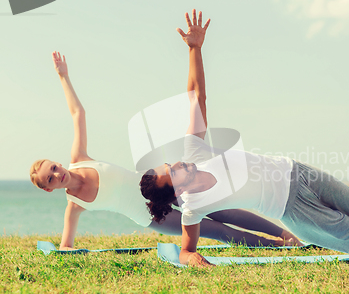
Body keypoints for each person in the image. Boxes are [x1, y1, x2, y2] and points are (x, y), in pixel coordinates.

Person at [140, 10, 349, 267]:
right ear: (179, 190)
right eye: (175, 171)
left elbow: (196, 96)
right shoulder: (193, 208)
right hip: (290, 207)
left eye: (172, 162)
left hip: (296, 171)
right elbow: (185, 249)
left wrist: (195, 50)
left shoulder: (194, 151)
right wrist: (192, 259)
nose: (180, 163)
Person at [28, 52, 301, 249]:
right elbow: (66, 246)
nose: (56, 173)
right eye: (49, 178)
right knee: (213, 230)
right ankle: (275, 246)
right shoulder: (74, 205)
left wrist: (63, 76)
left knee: (224, 210)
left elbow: (78, 113)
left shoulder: (78, 160)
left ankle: (286, 235)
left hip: (160, 184)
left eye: (53, 167)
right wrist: (64, 250)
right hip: (148, 216)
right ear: (49, 189)